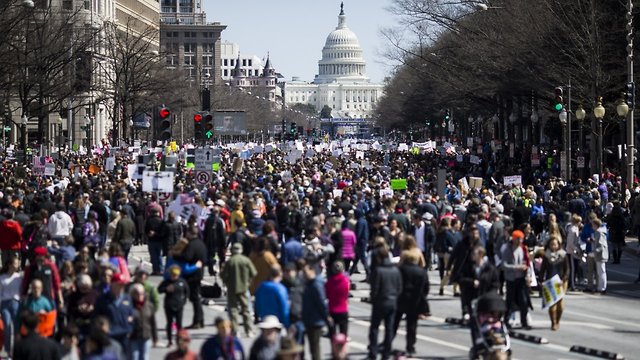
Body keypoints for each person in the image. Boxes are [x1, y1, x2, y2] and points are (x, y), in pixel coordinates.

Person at [368, 244, 402, 360]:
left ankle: (373, 352)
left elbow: (375, 288)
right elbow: (399, 287)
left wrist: (373, 298)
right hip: (392, 302)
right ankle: (386, 354)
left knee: (374, 328)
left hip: (380, 302)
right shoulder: (395, 270)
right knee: (389, 329)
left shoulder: (378, 270)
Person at [392, 251, 426, 356]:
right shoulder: (421, 271)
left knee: (394, 323)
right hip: (414, 301)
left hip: (400, 299)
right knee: (411, 326)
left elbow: (395, 283)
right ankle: (410, 347)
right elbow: (426, 287)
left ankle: (388, 342)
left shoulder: (399, 270)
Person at [221, 242, 257, 337]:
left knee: (233, 310)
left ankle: (235, 330)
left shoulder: (230, 261)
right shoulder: (245, 260)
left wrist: (227, 282)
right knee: (246, 310)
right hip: (244, 288)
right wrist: (248, 281)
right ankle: (248, 330)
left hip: (232, 288)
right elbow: (253, 273)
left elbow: (223, 275)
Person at [94, 272, 134, 352]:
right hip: (109, 335)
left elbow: (131, 313)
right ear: (112, 284)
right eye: (119, 285)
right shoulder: (102, 299)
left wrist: (131, 320)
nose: (121, 287)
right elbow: (96, 317)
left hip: (124, 334)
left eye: (123, 285)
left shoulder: (127, 298)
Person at [501, 230, 531, 330]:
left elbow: (527, 263)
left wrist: (528, 275)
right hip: (511, 279)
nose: (520, 241)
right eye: (518, 239)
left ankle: (524, 321)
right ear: (513, 239)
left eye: (521, 239)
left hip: (521, 279)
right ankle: (506, 320)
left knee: (524, 301)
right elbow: (503, 265)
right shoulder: (507, 249)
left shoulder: (523, 249)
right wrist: (516, 267)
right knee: (509, 300)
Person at [302, 257, 331, 360]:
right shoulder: (309, 283)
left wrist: (326, 317)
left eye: (306, 271)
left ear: (312, 270)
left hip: (315, 320)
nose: (304, 274)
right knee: (313, 348)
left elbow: (321, 303)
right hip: (310, 319)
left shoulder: (316, 285)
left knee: (315, 348)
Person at [540, 237, 569, 330]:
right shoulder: (546, 256)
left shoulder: (563, 255)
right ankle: (553, 322)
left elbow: (567, 270)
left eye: (555, 244)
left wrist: (563, 280)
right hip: (550, 281)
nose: (553, 246)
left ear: (558, 245)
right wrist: (541, 281)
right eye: (552, 244)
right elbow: (542, 270)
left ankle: (558, 321)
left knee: (560, 305)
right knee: (552, 304)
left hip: (561, 282)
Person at [158, 265, 190, 347]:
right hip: (169, 305)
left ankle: (179, 340)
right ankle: (169, 341)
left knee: (179, 324)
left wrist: (184, 301)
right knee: (169, 323)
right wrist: (166, 289)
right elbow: (159, 290)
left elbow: (187, 291)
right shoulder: (166, 282)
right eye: (172, 275)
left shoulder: (182, 282)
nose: (174, 277)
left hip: (179, 305)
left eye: (175, 275)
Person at [182, 229, 207, 329]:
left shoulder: (191, 245)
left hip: (192, 273)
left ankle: (197, 320)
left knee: (194, 297)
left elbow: (187, 257)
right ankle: (200, 320)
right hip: (199, 273)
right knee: (196, 297)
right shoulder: (201, 244)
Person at [0, 255, 22, 356]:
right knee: (7, 327)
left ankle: (17, 351)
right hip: (5, 304)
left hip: (16, 303)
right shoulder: (2, 278)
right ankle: (8, 352)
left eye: (18, 264)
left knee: (17, 329)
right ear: (9, 265)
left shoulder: (19, 277)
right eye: (15, 264)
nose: (17, 266)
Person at [129, 283, 156, 360]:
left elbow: (153, 322)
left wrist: (155, 338)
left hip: (146, 337)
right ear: (132, 294)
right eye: (137, 293)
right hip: (133, 337)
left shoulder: (149, 305)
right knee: (134, 357)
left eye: (141, 293)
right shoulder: (129, 305)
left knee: (144, 358)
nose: (139, 296)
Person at [325, 260, 350, 339]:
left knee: (332, 335)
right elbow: (347, 294)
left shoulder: (329, 282)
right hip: (343, 309)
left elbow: (326, 295)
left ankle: (334, 349)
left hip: (332, 310)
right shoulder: (346, 281)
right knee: (343, 334)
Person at [588, 217, 608, 294]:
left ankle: (602, 288)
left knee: (601, 272)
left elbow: (601, 246)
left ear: (596, 225)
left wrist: (594, 252)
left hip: (601, 255)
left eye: (593, 225)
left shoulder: (599, 232)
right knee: (600, 272)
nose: (592, 226)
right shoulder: (599, 232)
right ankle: (600, 287)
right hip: (600, 255)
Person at [145, 208, 166, 275]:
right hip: (159, 240)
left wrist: (150, 234)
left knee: (153, 256)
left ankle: (155, 270)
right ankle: (161, 269)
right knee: (159, 255)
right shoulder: (161, 221)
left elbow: (145, 230)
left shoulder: (149, 221)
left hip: (151, 240)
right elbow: (163, 232)